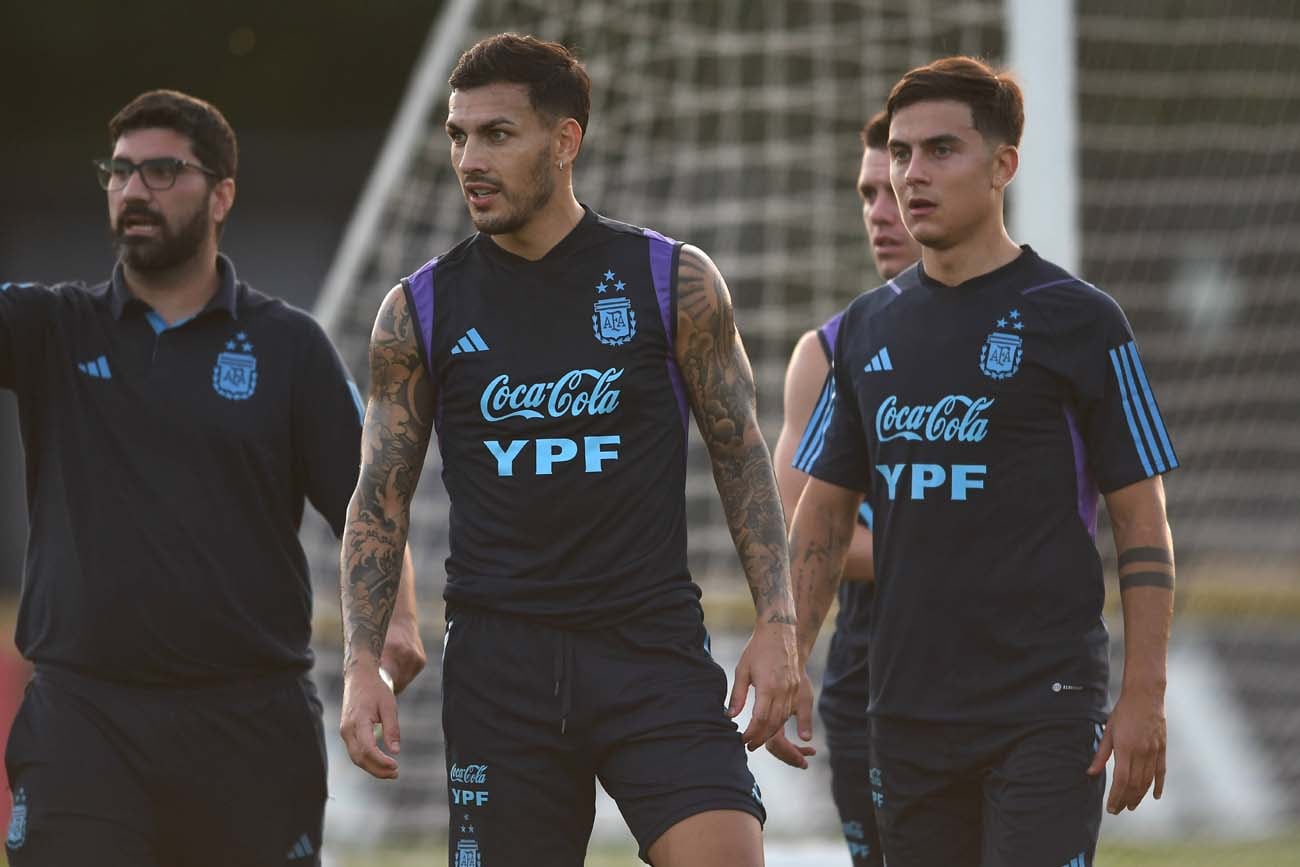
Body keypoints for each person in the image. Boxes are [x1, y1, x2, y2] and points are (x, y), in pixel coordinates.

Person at [337, 33, 799, 867]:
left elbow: (742, 456)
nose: (470, 158)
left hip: (649, 647)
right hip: (498, 667)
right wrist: (361, 659)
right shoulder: (418, 310)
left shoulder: (674, 281)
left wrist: (778, 619)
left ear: (565, 141)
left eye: (497, 134)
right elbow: (379, 496)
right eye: (457, 136)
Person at [0, 89, 425, 867]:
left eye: (161, 171)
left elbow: (372, 508)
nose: (133, 190)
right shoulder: (49, 327)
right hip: (83, 723)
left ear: (222, 193)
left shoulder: (290, 348)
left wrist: (384, 638)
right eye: (119, 172)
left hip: (251, 728)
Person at [777, 57, 1178, 867]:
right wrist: (787, 652)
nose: (912, 175)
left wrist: (1144, 694)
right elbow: (820, 512)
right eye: (900, 154)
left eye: (941, 151)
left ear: (1003, 165)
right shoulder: (862, 331)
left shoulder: (1082, 319)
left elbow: (1143, 518)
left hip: (1045, 706)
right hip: (905, 711)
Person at [766, 110, 921, 867]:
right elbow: (799, 524)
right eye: (868, 193)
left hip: (1021, 676)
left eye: (893, 190)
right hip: (872, 676)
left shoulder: (1052, 332)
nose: (880, 214)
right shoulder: (828, 351)